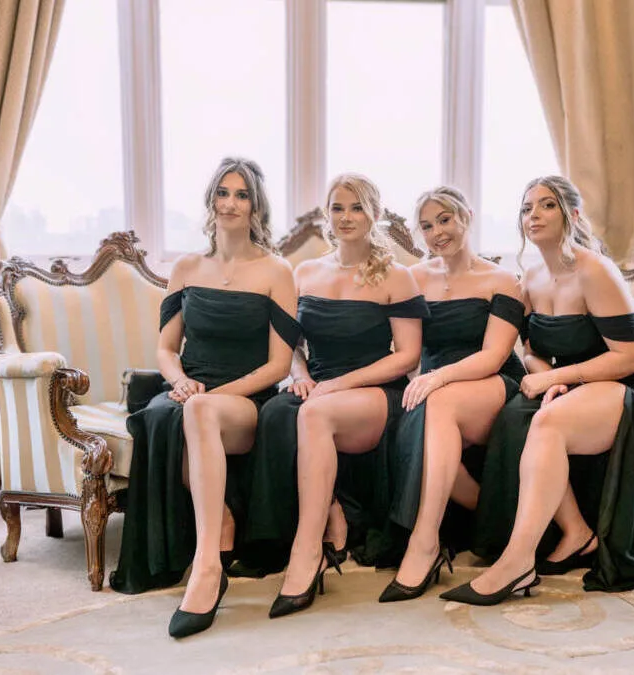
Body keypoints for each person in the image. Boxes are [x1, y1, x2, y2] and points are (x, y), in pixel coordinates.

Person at [442, 176, 634, 605]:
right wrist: (546, 373)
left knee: (545, 421)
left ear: (573, 216)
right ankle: (575, 531)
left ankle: (517, 562)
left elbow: (629, 358)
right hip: (574, 380)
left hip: (624, 381)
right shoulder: (529, 276)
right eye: (527, 208)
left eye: (546, 206)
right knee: (515, 416)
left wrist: (557, 380)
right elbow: (528, 347)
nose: (534, 216)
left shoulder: (595, 270)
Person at [109, 158, 299, 639]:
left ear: (256, 206)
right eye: (222, 193)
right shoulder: (188, 267)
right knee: (157, 416)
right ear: (210, 201)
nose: (230, 203)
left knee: (198, 412)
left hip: (246, 395)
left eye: (241, 195)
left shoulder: (277, 270)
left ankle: (207, 566)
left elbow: (279, 366)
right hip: (189, 388)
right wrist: (179, 381)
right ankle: (224, 524)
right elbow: (165, 349)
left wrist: (212, 394)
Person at [245, 173, 429, 619]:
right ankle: (328, 513)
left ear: (375, 214)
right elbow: (289, 348)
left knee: (314, 416)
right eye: (337, 207)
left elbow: (407, 356)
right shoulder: (305, 272)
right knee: (274, 412)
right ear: (326, 214)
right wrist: (301, 375)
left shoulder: (397, 277)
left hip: (372, 389)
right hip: (318, 384)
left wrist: (338, 385)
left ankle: (306, 554)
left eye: (357, 207)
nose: (346, 217)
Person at [379, 186, 526, 603]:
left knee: (435, 401)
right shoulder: (415, 279)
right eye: (427, 226)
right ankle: (491, 514)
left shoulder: (501, 280)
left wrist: (437, 378)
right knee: (421, 413)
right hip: (432, 385)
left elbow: (495, 356)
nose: (437, 232)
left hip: (490, 381)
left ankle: (424, 542)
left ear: (466, 217)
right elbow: (406, 351)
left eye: (444, 219)